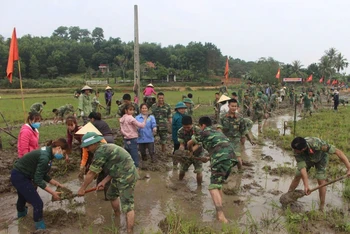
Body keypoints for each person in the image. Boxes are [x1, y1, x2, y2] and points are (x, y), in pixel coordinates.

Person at [78, 132, 138, 233]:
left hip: (127, 175)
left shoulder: (101, 151)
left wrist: (82, 188)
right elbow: (115, 165)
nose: (86, 149)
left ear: (93, 144)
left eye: (87, 147)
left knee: (127, 205)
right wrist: (104, 181)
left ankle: (130, 231)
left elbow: (91, 173)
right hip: (118, 173)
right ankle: (117, 216)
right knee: (111, 195)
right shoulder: (103, 148)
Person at [10, 138, 70, 230]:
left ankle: (21, 219)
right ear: (58, 148)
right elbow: (38, 179)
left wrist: (56, 183)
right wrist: (53, 193)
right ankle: (40, 228)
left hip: (20, 174)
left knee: (22, 197)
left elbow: (42, 174)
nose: (63, 155)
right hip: (20, 176)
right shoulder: (45, 157)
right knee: (38, 203)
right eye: (64, 153)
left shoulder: (48, 152)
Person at [187, 116, 238, 223]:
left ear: (203, 125)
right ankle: (220, 208)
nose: (200, 128)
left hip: (220, 159)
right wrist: (208, 157)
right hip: (232, 158)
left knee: (212, 187)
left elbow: (189, 143)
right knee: (218, 184)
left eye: (200, 127)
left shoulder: (203, 132)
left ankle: (220, 216)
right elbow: (220, 147)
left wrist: (190, 152)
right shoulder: (218, 132)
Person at [288, 137, 350, 211]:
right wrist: (306, 185)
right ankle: (288, 196)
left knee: (321, 180)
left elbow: (338, 152)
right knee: (298, 175)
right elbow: (302, 168)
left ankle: (321, 207)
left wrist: (349, 167)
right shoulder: (296, 150)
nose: (294, 151)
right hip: (307, 159)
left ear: (303, 149)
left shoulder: (317, 144)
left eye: (296, 150)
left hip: (321, 158)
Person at [219, 99, 254, 169]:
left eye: (235, 106)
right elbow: (219, 128)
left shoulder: (240, 117)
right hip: (225, 140)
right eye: (232, 106)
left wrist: (250, 140)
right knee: (225, 159)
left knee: (238, 160)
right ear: (228, 106)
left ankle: (240, 174)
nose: (234, 108)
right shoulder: (222, 116)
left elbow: (244, 130)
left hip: (236, 141)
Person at [177, 116, 203, 186]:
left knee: (199, 171)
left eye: (188, 127)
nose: (186, 129)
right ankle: (179, 183)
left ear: (192, 124)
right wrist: (181, 151)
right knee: (182, 170)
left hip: (198, 153)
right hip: (186, 153)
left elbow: (199, 144)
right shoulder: (180, 131)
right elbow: (182, 144)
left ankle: (199, 187)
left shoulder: (198, 130)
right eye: (185, 127)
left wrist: (191, 152)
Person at [120, 104, 147, 168]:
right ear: (126, 110)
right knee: (134, 157)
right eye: (130, 110)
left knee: (127, 156)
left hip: (126, 139)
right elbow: (141, 125)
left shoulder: (122, 119)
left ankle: (127, 169)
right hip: (132, 139)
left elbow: (121, 130)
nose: (132, 111)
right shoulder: (131, 118)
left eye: (133, 110)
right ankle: (136, 171)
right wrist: (145, 119)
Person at [172, 102, 188, 168]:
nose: (182, 110)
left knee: (177, 149)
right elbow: (181, 128)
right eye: (181, 109)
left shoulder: (181, 115)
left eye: (183, 108)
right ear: (177, 109)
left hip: (177, 137)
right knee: (178, 150)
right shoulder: (178, 117)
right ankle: (178, 164)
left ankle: (176, 164)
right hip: (178, 137)